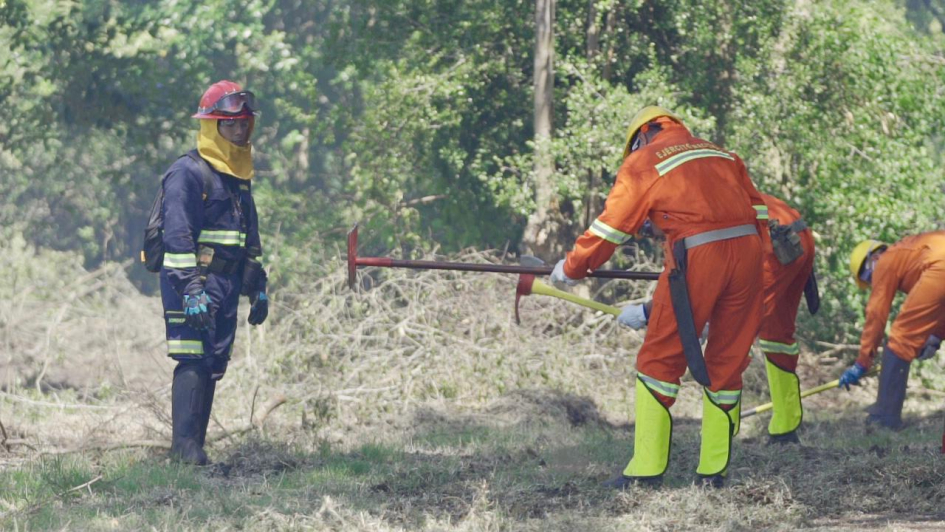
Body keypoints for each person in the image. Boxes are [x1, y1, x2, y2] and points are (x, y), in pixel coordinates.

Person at [550, 106, 769, 488]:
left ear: (640, 136)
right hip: (750, 253)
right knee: (728, 359)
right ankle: (713, 473)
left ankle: (646, 472)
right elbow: (759, 210)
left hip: (697, 257)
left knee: (659, 359)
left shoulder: (644, 161)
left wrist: (572, 268)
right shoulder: (720, 153)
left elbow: (610, 228)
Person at [620, 193, 818, 445]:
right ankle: (785, 428)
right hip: (795, 237)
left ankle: (723, 434)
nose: (653, 237)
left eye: (648, 230)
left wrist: (646, 312)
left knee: (731, 339)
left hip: (772, 244)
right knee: (776, 335)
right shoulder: (694, 197)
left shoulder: (680, 216)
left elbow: (687, 285)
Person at [160, 80, 269, 464]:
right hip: (193, 280)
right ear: (211, 126)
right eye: (230, 124)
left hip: (224, 281)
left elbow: (247, 233)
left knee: (212, 362)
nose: (240, 130)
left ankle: (194, 451)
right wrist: (190, 289)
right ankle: (184, 450)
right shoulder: (187, 173)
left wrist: (257, 282)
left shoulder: (238, 174)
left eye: (245, 123)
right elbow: (177, 237)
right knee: (192, 358)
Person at [838, 232, 945, 429]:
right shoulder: (911, 259)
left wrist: (862, 362)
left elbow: (876, 315)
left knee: (900, 338)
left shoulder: (886, 260)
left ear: (873, 258)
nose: (873, 282)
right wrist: (935, 337)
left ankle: (885, 418)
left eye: (868, 276)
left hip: (941, 265)